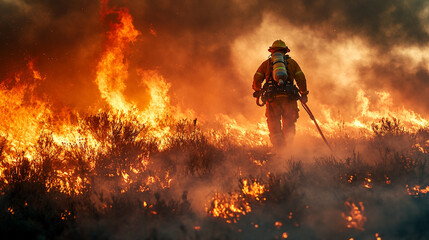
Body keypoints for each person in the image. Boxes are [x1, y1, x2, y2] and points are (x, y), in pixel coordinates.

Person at [253, 40, 309, 150]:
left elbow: (257, 78)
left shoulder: (266, 64)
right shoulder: (292, 63)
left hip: (272, 100)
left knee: (274, 125)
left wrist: (257, 90)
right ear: (285, 51)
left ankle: (279, 150)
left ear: (272, 51)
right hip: (289, 99)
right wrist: (303, 93)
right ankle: (288, 151)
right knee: (289, 124)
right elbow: (301, 78)